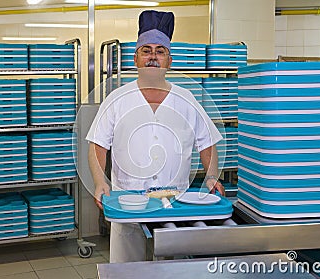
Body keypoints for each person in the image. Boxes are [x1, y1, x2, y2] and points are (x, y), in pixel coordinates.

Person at [86, 10, 225, 263]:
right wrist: (99, 181)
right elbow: (98, 144)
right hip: (128, 200)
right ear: (135, 58)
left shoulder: (186, 99)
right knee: (127, 268)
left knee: (174, 267)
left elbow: (208, 142)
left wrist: (212, 176)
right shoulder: (117, 99)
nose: (153, 57)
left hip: (175, 203)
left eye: (160, 51)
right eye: (146, 50)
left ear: (169, 60)